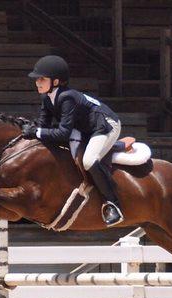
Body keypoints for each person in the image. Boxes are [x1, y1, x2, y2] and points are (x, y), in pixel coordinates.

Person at [22, 55, 124, 227]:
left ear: (55, 81)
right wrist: (31, 131)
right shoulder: (47, 98)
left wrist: (37, 131)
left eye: (42, 78)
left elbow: (62, 134)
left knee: (89, 161)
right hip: (84, 128)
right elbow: (42, 125)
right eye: (37, 78)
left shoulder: (66, 97)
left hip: (105, 125)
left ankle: (113, 204)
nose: (37, 82)